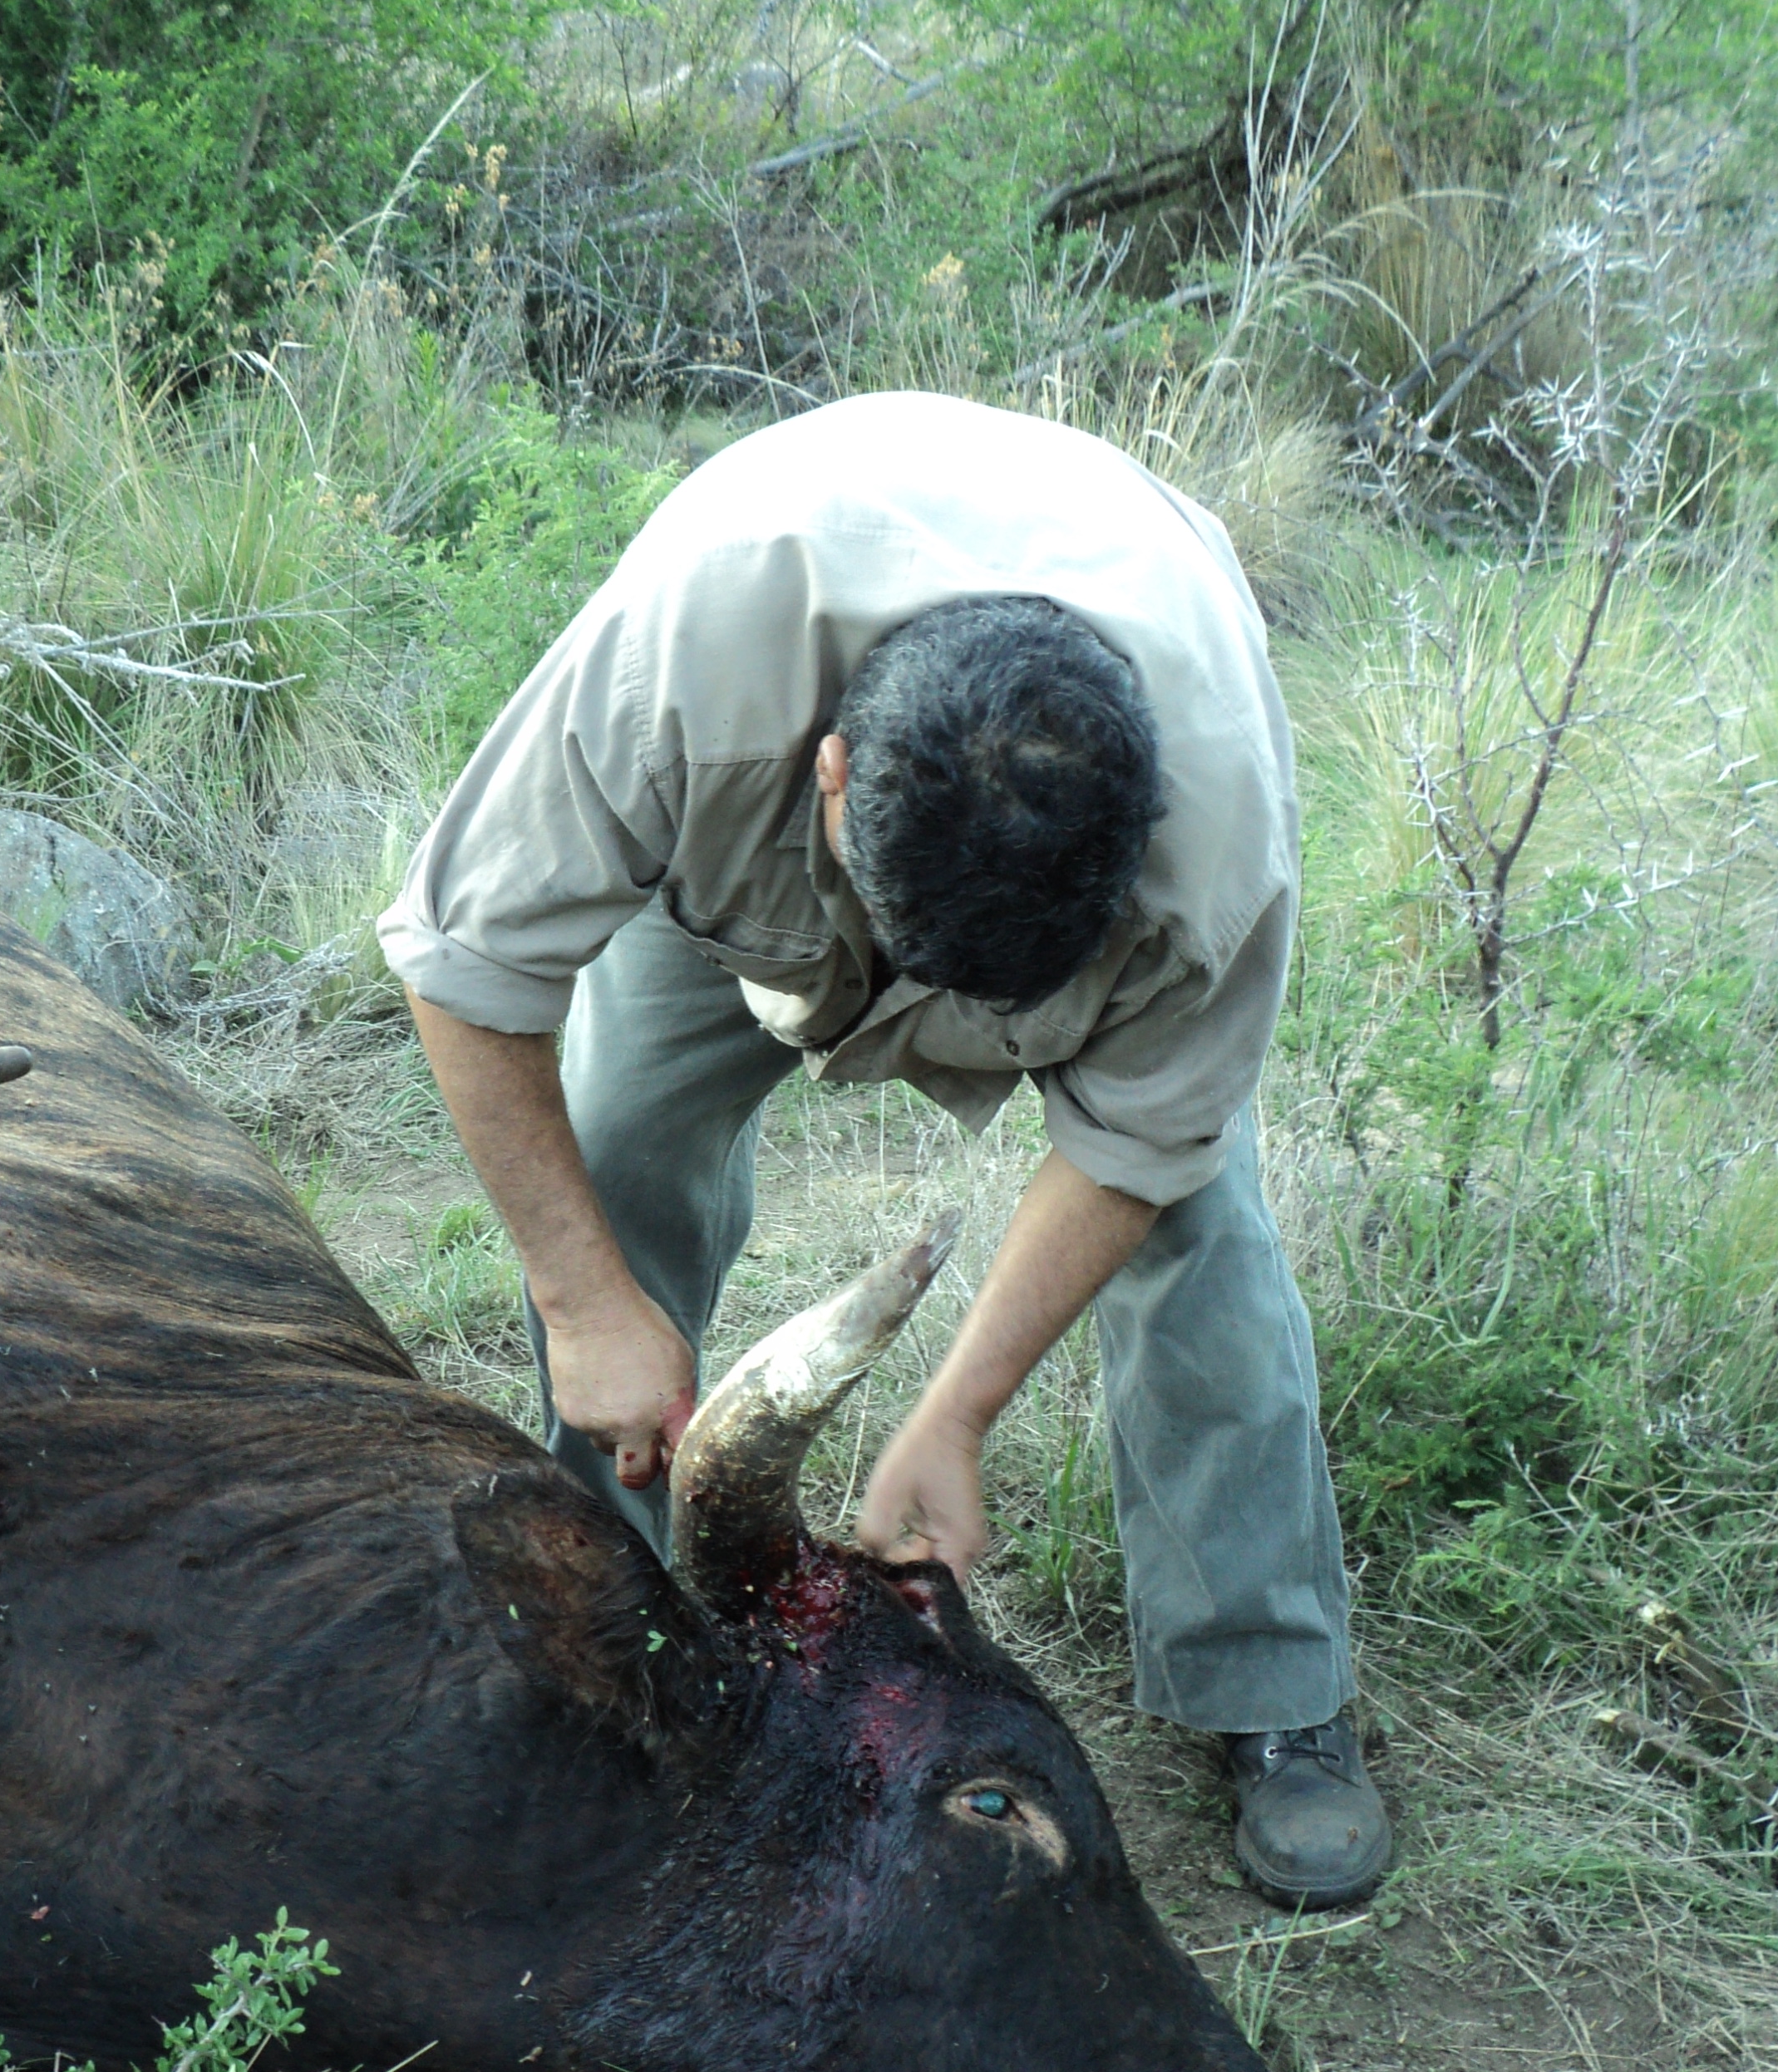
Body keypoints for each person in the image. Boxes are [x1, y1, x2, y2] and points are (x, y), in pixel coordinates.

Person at [376, 391, 1388, 1911]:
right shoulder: (688, 660)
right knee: (618, 1141)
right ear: (835, 772)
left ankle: (1269, 1677)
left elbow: (1138, 1139)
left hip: (1044, 842)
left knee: (1202, 1238)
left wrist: (958, 1413)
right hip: (745, 873)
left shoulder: (1218, 835)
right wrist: (585, 1299)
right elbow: (465, 961)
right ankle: (623, 1627)